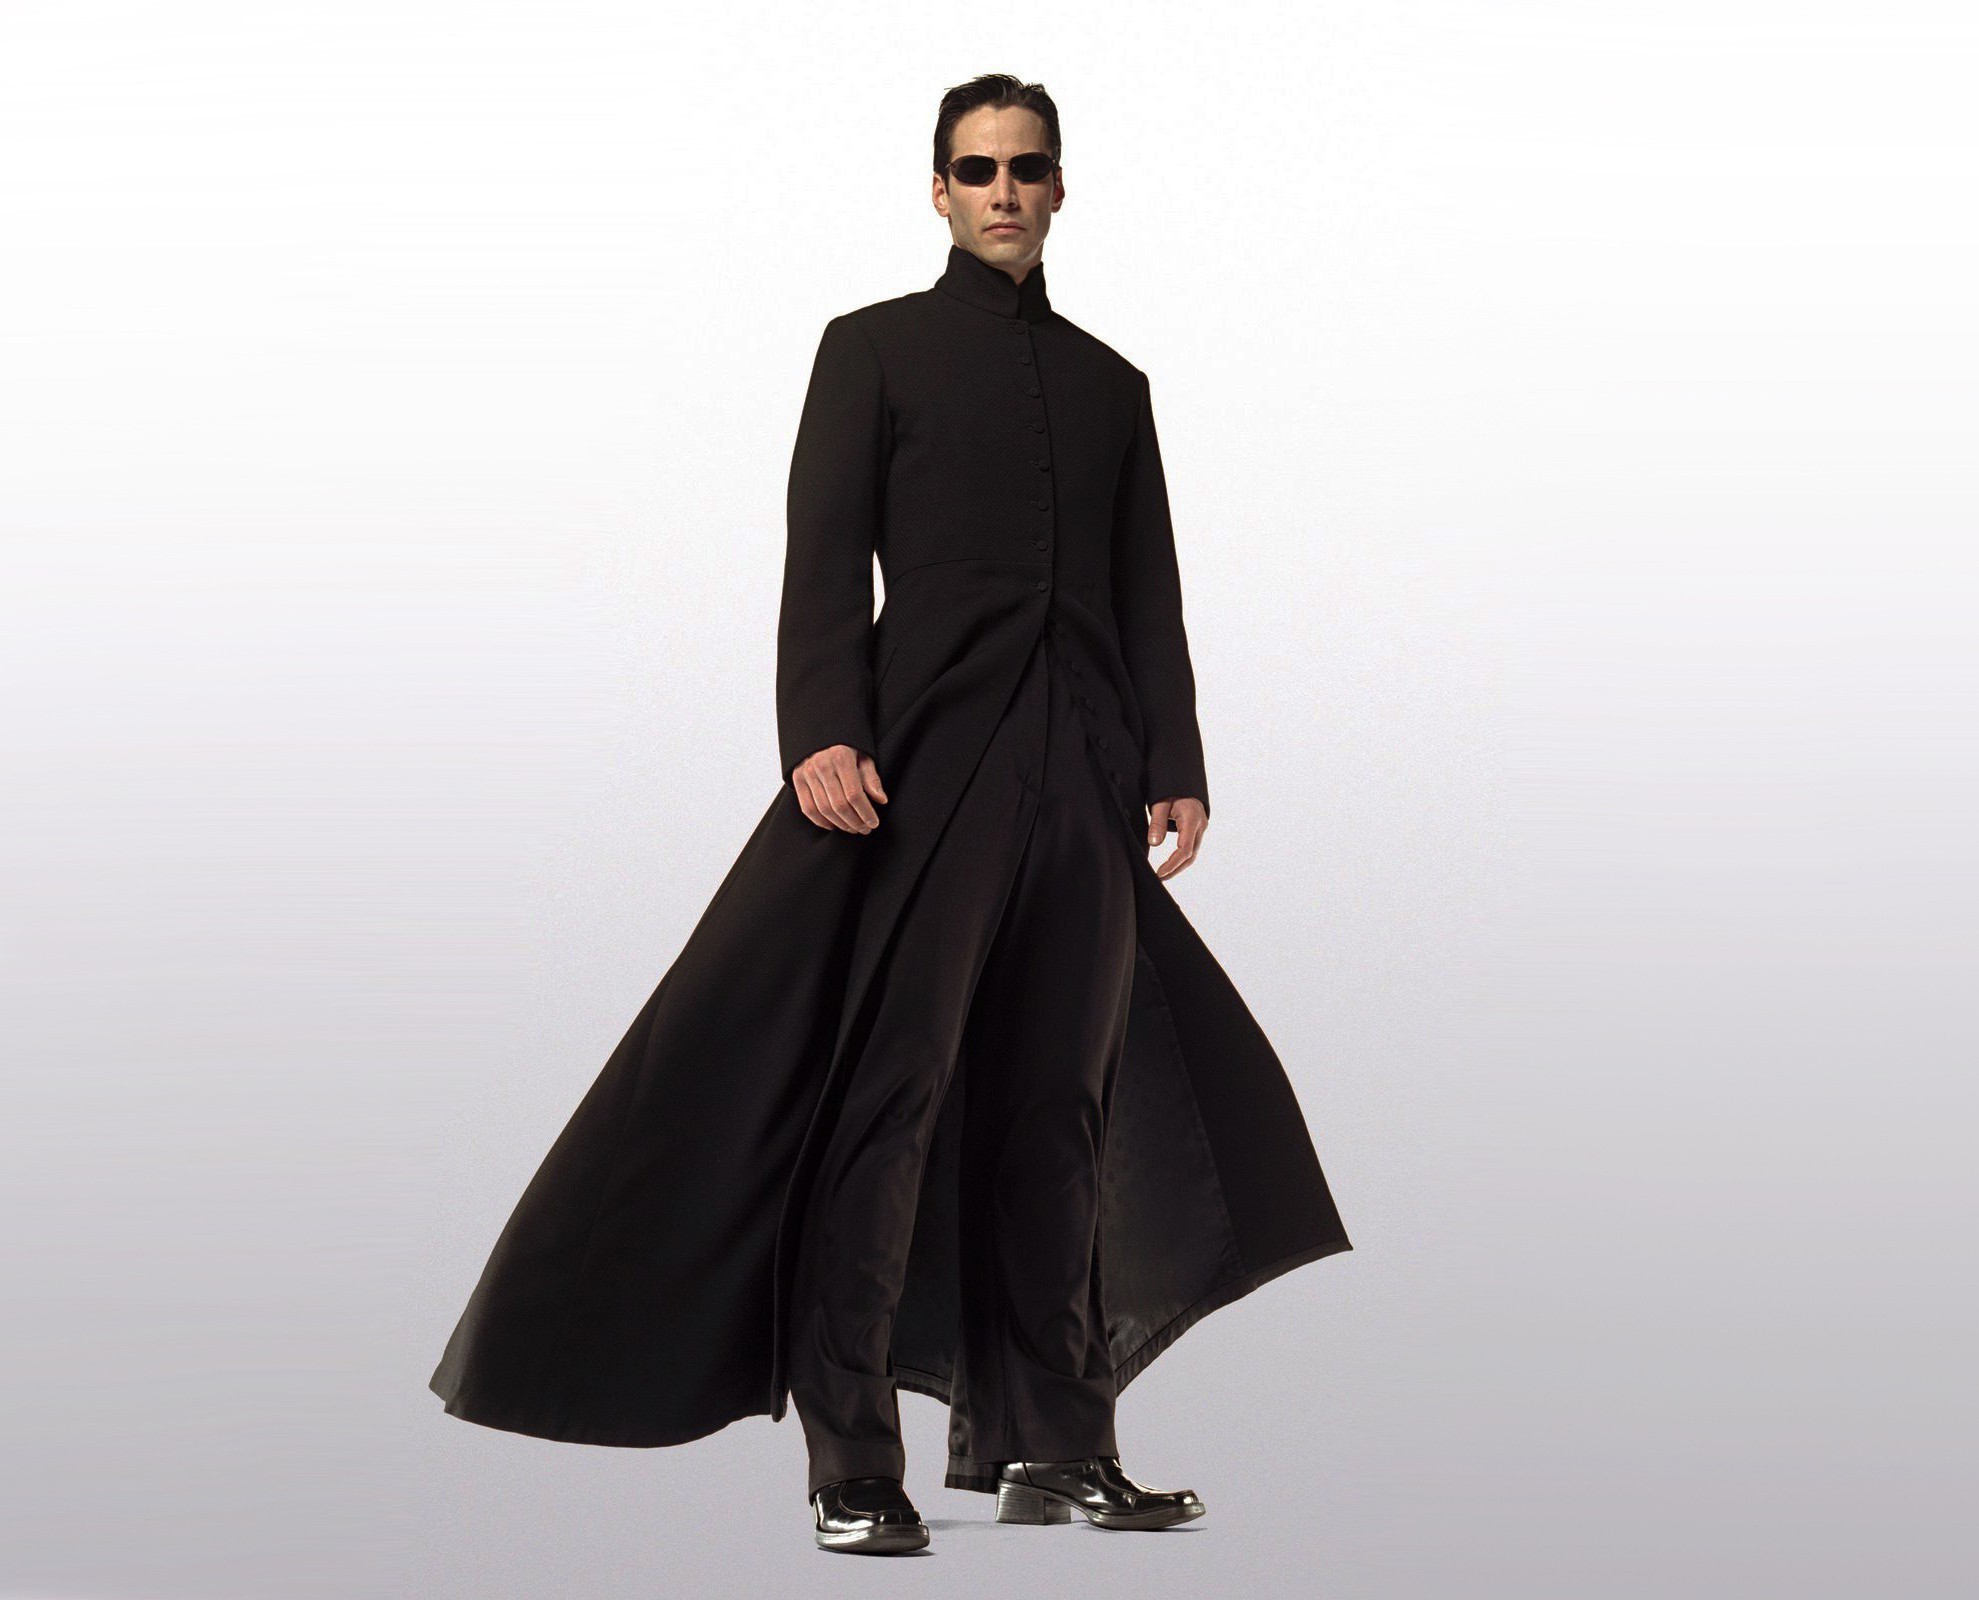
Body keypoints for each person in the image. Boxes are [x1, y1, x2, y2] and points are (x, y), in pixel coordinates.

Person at [426, 74, 1351, 1558]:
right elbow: (820, 559)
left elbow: (1149, 592)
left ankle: (1059, 1445)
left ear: (1061, 189)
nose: (1004, 191)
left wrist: (1172, 758)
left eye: (1027, 169)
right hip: (923, 771)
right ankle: (852, 1461)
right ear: (938, 190)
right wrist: (823, 731)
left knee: (1062, 1113)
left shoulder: (1114, 386)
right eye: (977, 169)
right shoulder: (870, 351)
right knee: (888, 1106)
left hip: (1083, 778)